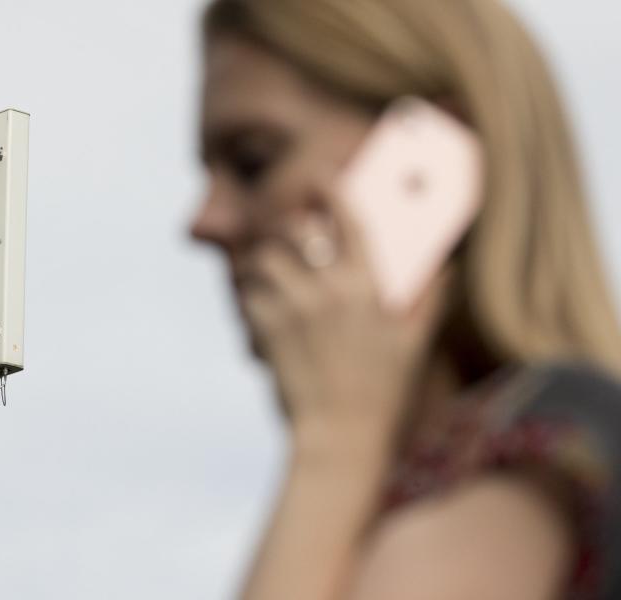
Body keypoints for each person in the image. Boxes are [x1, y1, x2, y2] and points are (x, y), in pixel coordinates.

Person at [189, 0, 621, 598]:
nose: (204, 222)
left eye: (253, 161)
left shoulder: (534, 468)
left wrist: (335, 437)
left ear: (436, 159)